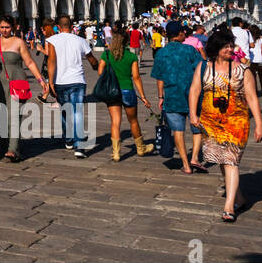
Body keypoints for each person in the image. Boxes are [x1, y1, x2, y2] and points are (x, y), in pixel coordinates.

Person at [188, 29, 262, 222]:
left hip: (236, 121)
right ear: (216, 48)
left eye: (231, 45)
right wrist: (193, 113)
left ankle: (229, 206)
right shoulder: (203, 67)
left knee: (231, 160)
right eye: (226, 46)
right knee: (221, 160)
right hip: (211, 121)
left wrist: (259, 124)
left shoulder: (242, 70)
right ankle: (239, 197)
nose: (230, 49)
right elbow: (194, 91)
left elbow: (252, 98)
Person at [0, 15, 50, 162]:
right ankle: (5, 145)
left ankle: (13, 149)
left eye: (7, 27)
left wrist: (41, 80)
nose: (4, 30)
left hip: (17, 82)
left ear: (13, 27)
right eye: (1, 27)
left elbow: (29, 62)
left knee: (14, 115)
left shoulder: (19, 42)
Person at [150, 20, 204, 173]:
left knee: (178, 131)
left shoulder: (161, 53)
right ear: (180, 34)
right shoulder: (189, 50)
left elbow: (159, 77)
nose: (185, 34)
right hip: (193, 95)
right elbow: (201, 69)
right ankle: (194, 157)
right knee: (196, 126)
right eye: (183, 32)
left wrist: (161, 96)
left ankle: (186, 165)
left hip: (172, 95)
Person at [45, 15, 98, 158]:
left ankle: (69, 139)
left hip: (60, 81)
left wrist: (50, 82)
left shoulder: (52, 40)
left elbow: (51, 61)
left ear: (59, 27)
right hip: (77, 81)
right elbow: (92, 59)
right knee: (77, 112)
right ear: (70, 26)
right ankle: (79, 146)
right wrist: (96, 66)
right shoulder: (80, 40)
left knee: (65, 110)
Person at [97, 29, 154, 161]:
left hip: (112, 91)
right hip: (127, 90)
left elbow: (100, 71)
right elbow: (136, 77)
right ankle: (140, 148)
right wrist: (143, 96)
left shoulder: (106, 55)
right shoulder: (131, 56)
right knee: (133, 121)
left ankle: (116, 153)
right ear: (126, 42)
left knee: (115, 122)